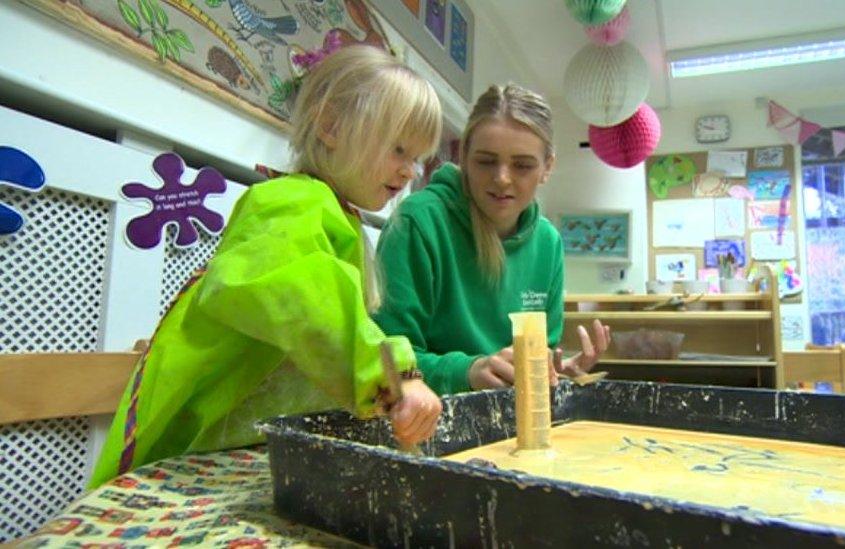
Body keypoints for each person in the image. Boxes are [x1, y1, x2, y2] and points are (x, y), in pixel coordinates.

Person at [90, 46, 443, 487]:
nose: (410, 171)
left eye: (417, 159)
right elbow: (306, 294)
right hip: (193, 453)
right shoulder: (290, 200)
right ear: (331, 126)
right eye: (398, 149)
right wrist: (393, 376)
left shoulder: (338, 215)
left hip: (242, 452)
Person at [373, 84, 610, 395]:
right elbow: (384, 359)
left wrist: (551, 371)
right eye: (485, 161)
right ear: (464, 157)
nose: (501, 178)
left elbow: (538, 353)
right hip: (429, 421)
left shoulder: (548, 242)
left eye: (523, 165)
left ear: (547, 167)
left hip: (511, 422)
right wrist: (467, 372)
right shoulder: (417, 223)